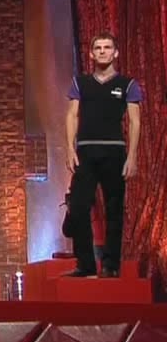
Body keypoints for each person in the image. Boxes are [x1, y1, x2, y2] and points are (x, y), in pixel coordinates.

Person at [64, 32, 141, 278]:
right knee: (78, 207)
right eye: (98, 48)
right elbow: (72, 115)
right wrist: (69, 148)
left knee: (114, 210)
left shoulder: (127, 84)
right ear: (91, 53)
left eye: (107, 47)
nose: (102, 51)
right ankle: (85, 264)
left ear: (115, 53)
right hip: (85, 152)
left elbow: (135, 121)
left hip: (114, 152)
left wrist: (132, 156)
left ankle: (110, 265)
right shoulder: (81, 83)